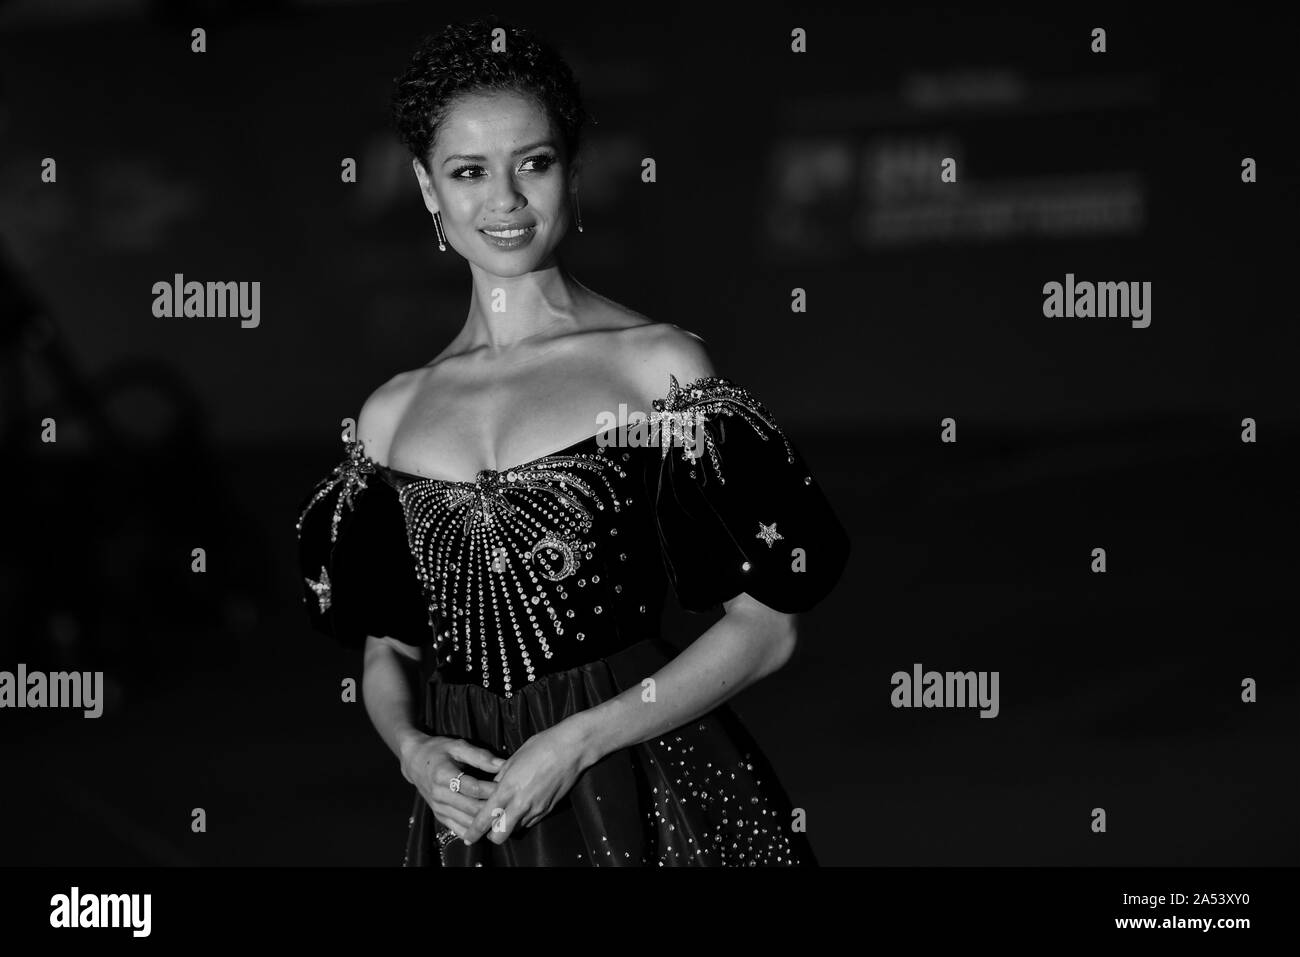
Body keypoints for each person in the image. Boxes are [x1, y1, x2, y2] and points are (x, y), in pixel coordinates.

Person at [295, 17, 851, 866]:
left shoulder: (656, 367)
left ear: (572, 171)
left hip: (644, 790)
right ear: (427, 189)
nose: (506, 199)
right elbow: (386, 650)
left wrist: (578, 742)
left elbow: (768, 627)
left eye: (535, 162)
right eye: (469, 171)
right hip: (476, 822)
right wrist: (414, 750)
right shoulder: (389, 416)